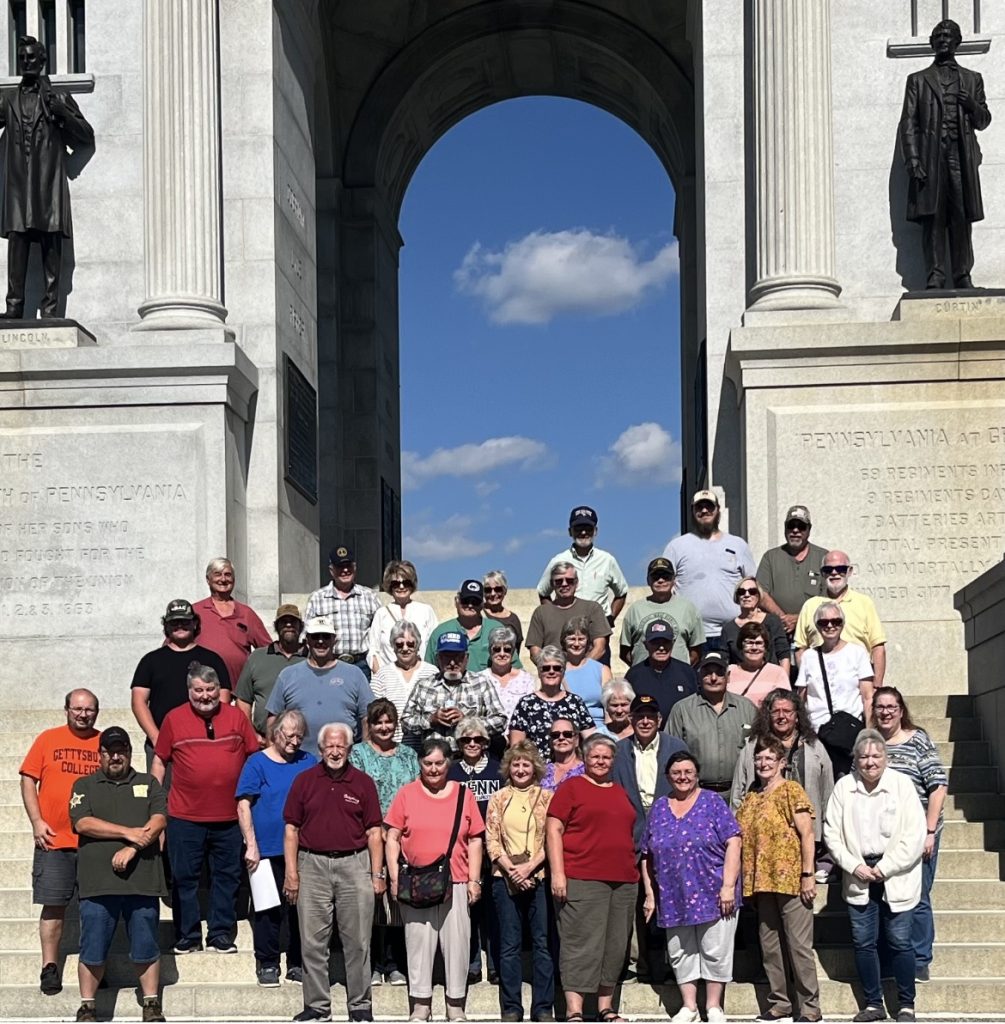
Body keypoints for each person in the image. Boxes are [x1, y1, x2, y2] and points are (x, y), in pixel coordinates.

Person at [152, 663, 259, 954]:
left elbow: (253, 757)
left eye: (210, 690)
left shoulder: (237, 718)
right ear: (189, 691)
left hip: (229, 817)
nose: (205, 696)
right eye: (198, 690)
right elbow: (160, 761)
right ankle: (187, 936)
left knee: (226, 877)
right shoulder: (173, 719)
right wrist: (153, 803)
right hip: (184, 816)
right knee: (184, 878)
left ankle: (220, 934)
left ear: (219, 691)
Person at [283, 721, 385, 1023]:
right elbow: (291, 829)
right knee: (313, 941)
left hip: (355, 864)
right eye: (330, 745)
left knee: (358, 940)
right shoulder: (304, 781)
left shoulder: (363, 783)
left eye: (341, 745)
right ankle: (317, 1006)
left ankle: (360, 1005)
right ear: (320, 748)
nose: (335, 751)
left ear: (350, 749)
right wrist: (292, 873)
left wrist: (377, 874)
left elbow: (374, 831)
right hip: (311, 864)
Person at [824, 731, 926, 1024]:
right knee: (863, 942)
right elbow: (832, 833)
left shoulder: (902, 785)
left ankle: (906, 1005)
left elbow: (915, 834)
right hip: (859, 872)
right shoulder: (845, 787)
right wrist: (854, 866)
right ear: (855, 760)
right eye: (864, 757)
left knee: (900, 941)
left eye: (876, 756)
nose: (870, 762)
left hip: (896, 872)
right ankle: (873, 1003)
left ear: (886, 758)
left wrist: (886, 867)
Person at [69, 726, 167, 1024]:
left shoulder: (148, 783)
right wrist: (128, 833)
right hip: (97, 884)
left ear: (129, 752)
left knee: (146, 944)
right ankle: (88, 1005)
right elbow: (82, 823)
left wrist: (132, 849)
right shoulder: (84, 785)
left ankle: (151, 1004)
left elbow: (159, 819)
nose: (115, 756)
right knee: (93, 947)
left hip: (143, 882)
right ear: (100, 754)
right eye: (109, 751)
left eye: (121, 751)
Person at [385, 737, 486, 1023]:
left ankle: (455, 1005)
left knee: (457, 945)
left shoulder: (464, 794)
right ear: (420, 764)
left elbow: (476, 839)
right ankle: (421, 1004)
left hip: (456, 880)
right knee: (418, 943)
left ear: (448, 763)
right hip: (417, 882)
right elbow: (391, 837)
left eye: (439, 763)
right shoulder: (406, 794)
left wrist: (474, 880)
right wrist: (394, 876)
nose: (433, 769)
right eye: (427, 763)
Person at [641, 750, 742, 1024]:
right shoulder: (660, 807)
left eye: (688, 772)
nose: (682, 777)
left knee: (715, 948)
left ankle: (713, 1006)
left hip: (714, 889)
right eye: (676, 773)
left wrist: (728, 885)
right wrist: (650, 894)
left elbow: (734, 841)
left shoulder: (712, 802)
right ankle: (689, 1007)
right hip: (673, 893)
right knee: (681, 950)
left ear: (697, 775)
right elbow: (647, 854)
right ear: (667, 777)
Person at [546, 734, 638, 1024]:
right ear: (584, 758)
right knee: (580, 944)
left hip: (623, 880)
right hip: (583, 877)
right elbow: (553, 830)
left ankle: (605, 1008)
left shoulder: (620, 791)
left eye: (607, 757)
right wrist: (558, 873)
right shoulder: (572, 788)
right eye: (595, 756)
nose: (601, 761)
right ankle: (574, 1010)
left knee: (614, 946)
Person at [0, 35, 94, 319]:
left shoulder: (58, 98)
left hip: (47, 181)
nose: (27, 62)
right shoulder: (8, 100)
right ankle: (13, 306)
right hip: (18, 183)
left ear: (42, 61)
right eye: (23, 58)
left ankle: (51, 308)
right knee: (18, 240)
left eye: (32, 57)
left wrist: (62, 112)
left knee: (50, 241)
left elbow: (86, 136)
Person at [19, 688, 102, 995]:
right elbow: (28, 778)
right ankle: (49, 967)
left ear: (97, 712)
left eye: (89, 709)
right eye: (77, 709)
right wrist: (37, 821)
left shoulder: (104, 742)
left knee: (95, 908)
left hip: (94, 842)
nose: (83, 714)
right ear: (67, 709)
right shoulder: (48, 739)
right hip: (53, 840)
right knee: (53, 907)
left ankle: (94, 965)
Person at [899, 18, 992, 289]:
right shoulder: (917, 80)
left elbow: (984, 120)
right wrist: (912, 159)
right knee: (933, 216)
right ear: (931, 43)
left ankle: (962, 273)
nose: (942, 39)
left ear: (957, 41)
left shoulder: (973, 79)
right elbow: (908, 122)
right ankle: (935, 275)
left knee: (961, 215)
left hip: (960, 156)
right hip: (930, 155)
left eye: (948, 35)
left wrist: (971, 104)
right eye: (937, 36)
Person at [735, 737, 821, 1024]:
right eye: (759, 759)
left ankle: (809, 1007)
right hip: (761, 881)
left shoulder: (791, 791)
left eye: (769, 759)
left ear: (782, 762)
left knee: (797, 945)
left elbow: (807, 834)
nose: (763, 764)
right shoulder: (751, 798)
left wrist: (808, 875)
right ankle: (780, 1003)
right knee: (770, 945)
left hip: (791, 880)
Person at [236, 709, 316, 987]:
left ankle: (296, 962)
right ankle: (267, 963)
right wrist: (251, 845)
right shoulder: (257, 762)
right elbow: (244, 804)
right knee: (268, 910)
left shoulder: (308, 762)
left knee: (299, 911)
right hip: (266, 849)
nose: (295, 742)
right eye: (290, 735)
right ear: (276, 732)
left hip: (303, 850)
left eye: (300, 737)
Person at [872, 687, 948, 983]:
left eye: (891, 706)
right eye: (880, 707)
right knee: (885, 898)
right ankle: (891, 959)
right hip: (881, 835)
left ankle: (919, 959)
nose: (886, 712)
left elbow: (938, 786)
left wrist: (929, 831)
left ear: (901, 710)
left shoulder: (918, 740)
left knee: (918, 896)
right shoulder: (870, 742)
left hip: (919, 832)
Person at [613, 694, 688, 985]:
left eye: (650, 715)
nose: (645, 721)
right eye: (639, 715)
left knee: (667, 901)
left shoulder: (675, 748)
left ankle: (667, 967)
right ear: (630, 719)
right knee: (633, 905)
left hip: (667, 832)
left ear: (659, 719)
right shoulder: (619, 750)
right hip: (628, 833)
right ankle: (635, 964)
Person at [350, 698, 420, 987]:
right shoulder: (358, 754)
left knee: (397, 901)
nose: (384, 727)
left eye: (389, 721)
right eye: (378, 721)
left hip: (403, 838)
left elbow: (416, 793)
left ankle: (395, 964)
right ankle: (375, 963)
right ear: (369, 724)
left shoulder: (408, 756)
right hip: (368, 836)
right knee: (372, 902)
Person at [730, 689, 834, 881]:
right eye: (776, 711)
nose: (781, 716)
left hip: (805, 835)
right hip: (764, 839)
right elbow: (738, 792)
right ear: (767, 716)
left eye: (787, 711)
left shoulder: (813, 746)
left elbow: (827, 790)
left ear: (797, 716)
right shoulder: (753, 747)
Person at [485, 740, 554, 1024]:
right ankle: (511, 1007)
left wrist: (529, 867)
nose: (521, 769)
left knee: (542, 944)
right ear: (508, 768)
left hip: (537, 875)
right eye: (516, 764)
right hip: (505, 877)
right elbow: (491, 838)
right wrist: (512, 870)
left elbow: (553, 838)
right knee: (509, 945)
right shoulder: (498, 798)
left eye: (526, 764)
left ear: (535, 768)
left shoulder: (548, 798)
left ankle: (543, 1008)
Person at [130, 599, 232, 768]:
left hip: (203, 742)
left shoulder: (212, 659)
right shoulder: (150, 661)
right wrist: (157, 738)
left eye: (185, 621)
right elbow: (138, 702)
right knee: (161, 794)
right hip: (163, 746)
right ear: (166, 626)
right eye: (174, 622)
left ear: (195, 624)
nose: (180, 626)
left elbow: (223, 699)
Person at [266, 615, 375, 757]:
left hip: (344, 761)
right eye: (315, 636)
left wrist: (366, 757)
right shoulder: (288, 675)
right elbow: (273, 718)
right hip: (297, 761)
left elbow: (368, 718)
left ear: (334, 640)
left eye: (326, 636)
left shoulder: (354, 674)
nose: (321, 641)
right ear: (307, 641)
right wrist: (273, 756)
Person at [662, 490, 756, 651]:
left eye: (709, 507)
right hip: (691, 636)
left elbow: (753, 586)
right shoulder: (676, 547)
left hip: (733, 633)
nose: (704, 511)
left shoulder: (738, 544)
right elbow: (663, 587)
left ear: (718, 510)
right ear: (692, 511)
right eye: (699, 507)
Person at [449, 717, 504, 986]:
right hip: (461, 851)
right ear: (459, 744)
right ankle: (471, 964)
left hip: (492, 851)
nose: (472, 744)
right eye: (466, 740)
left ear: (485, 744)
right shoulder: (451, 772)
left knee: (493, 911)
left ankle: (494, 964)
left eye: (478, 740)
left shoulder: (498, 771)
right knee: (467, 912)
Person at [795, 601, 875, 779]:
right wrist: (801, 732)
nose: (830, 625)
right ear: (817, 626)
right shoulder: (809, 656)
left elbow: (868, 697)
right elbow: (801, 699)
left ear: (843, 623)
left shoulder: (857, 653)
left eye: (836, 621)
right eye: (824, 622)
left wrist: (869, 734)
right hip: (817, 733)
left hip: (849, 733)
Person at [536, 506, 629, 649]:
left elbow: (621, 592)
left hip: (596, 632)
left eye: (588, 528)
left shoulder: (607, 560)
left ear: (596, 531)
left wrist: (609, 618)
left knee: (599, 670)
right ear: (569, 531)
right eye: (578, 528)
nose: (584, 532)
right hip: (566, 634)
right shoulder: (558, 560)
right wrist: (554, 617)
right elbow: (543, 591)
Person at [666, 652, 757, 797]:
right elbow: (670, 753)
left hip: (740, 793)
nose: (713, 678)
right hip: (695, 793)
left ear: (728, 676)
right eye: (707, 673)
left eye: (719, 673)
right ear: (699, 676)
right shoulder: (682, 710)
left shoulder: (747, 708)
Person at [794, 551, 887, 686]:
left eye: (841, 569)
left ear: (849, 571)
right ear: (822, 573)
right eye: (828, 569)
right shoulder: (810, 605)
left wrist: (876, 687)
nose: (834, 573)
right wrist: (808, 683)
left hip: (858, 685)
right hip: (821, 687)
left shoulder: (864, 603)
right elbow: (800, 648)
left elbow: (878, 647)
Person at [402, 631, 506, 748]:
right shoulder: (424, 686)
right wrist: (430, 720)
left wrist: (468, 722)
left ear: (466, 658)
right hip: (434, 761)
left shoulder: (481, 683)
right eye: (447, 657)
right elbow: (405, 722)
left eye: (458, 657)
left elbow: (501, 721)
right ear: (438, 658)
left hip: (469, 759)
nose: (452, 663)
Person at [192, 556, 271, 688]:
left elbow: (267, 650)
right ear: (208, 579)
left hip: (238, 691)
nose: (223, 579)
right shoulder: (195, 611)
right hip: (202, 690)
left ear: (233, 580)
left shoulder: (246, 613)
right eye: (217, 574)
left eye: (228, 575)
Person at [304, 545, 381, 679]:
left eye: (348, 566)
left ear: (355, 567)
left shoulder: (370, 596)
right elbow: (307, 633)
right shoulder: (317, 598)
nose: (345, 570)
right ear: (331, 570)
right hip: (328, 664)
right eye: (340, 567)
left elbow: (381, 632)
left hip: (362, 666)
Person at [236, 603, 307, 742]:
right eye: (283, 622)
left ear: (301, 626)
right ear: (276, 626)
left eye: (293, 622)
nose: (288, 625)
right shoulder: (257, 657)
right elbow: (243, 700)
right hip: (266, 741)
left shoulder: (312, 659)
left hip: (303, 742)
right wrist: (252, 734)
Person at [756, 505, 828, 638]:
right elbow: (762, 594)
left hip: (814, 633)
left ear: (809, 529)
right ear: (785, 527)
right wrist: (783, 619)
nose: (795, 530)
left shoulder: (823, 558)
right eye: (791, 525)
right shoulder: (770, 557)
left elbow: (828, 600)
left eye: (801, 526)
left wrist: (799, 619)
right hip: (778, 632)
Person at [508, 647, 595, 754]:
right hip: (538, 767)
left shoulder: (575, 702)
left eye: (557, 668)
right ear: (539, 672)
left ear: (563, 672)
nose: (551, 672)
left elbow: (592, 741)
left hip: (570, 767)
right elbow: (517, 747)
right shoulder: (526, 704)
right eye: (546, 668)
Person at [619, 558, 704, 668]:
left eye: (666, 576)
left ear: (674, 579)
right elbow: (625, 651)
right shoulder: (635, 609)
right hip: (644, 678)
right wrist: (642, 669)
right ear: (648, 580)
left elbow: (696, 651)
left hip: (678, 678)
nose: (661, 580)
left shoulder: (688, 608)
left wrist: (680, 670)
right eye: (655, 576)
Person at [426, 579, 525, 673]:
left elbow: (515, 667)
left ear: (482, 604)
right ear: (456, 601)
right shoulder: (440, 632)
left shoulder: (496, 629)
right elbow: (429, 669)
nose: (470, 605)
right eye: (465, 600)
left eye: (475, 601)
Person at [371, 620, 440, 747]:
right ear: (393, 646)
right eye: (399, 644)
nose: (405, 648)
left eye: (410, 644)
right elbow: (374, 714)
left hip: (426, 745)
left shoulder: (432, 672)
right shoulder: (382, 675)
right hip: (392, 745)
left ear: (418, 645)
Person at [526, 563, 611, 664]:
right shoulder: (541, 612)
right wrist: (552, 670)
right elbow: (535, 651)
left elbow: (600, 647)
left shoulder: (592, 608)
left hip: (587, 672)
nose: (564, 584)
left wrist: (581, 669)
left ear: (577, 582)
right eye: (559, 581)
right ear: (552, 584)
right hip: (554, 674)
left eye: (569, 580)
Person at [367, 560, 439, 673]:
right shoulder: (381, 614)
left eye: (406, 583)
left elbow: (435, 646)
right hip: (390, 678)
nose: (401, 587)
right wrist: (381, 677)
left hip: (421, 676)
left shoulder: (426, 611)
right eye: (396, 583)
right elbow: (373, 650)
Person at [625, 619, 699, 723]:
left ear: (673, 643)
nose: (661, 647)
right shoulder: (633, 675)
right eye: (655, 643)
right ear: (646, 645)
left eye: (666, 642)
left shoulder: (686, 672)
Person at [471, 625, 537, 735]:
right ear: (490, 651)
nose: (502, 654)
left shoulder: (526, 679)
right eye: (497, 649)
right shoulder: (479, 679)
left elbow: (530, 713)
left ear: (513, 652)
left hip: (517, 740)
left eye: (507, 650)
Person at [719, 577, 789, 674]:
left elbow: (783, 655)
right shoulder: (728, 629)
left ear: (759, 596)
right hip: (741, 681)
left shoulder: (773, 621)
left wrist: (783, 683)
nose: (746, 595)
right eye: (741, 592)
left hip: (770, 679)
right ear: (737, 596)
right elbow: (725, 661)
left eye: (752, 591)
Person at [561, 616, 613, 734]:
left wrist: (607, 733)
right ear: (564, 641)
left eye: (581, 639)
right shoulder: (556, 670)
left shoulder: (602, 670)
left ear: (588, 641)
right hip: (568, 731)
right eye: (572, 639)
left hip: (598, 729)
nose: (576, 644)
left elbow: (609, 708)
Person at [725, 621, 790, 708]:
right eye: (749, 643)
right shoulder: (729, 671)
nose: (754, 648)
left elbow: (785, 704)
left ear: (765, 647)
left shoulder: (778, 673)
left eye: (759, 643)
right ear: (741, 646)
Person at [483, 570, 526, 653]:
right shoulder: (478, 614)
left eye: (498, 589)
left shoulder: (513, 619)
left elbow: (516, 650)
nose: (493, 594)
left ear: (505, 591)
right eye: (488, 590)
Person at [541, 718, 586, 792]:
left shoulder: (587, 771)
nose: (561, 738)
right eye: (555, 735)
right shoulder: (542, 771)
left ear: (576, 740)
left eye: (567, 734)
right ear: (551, 741)